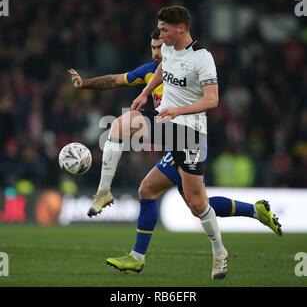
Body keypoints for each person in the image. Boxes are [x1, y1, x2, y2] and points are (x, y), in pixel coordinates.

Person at [69, 19, 282, 280]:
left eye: (160, 46)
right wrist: (85, 83)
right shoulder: (151, 71)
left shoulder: (188, 65)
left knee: (197, 203)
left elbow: (209, 98)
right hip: (172, 139)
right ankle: (136, 257)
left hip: (190, 138)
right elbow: (116, 79)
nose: (156, 52)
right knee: (154, 191)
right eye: (153, 47)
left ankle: (222, 247)